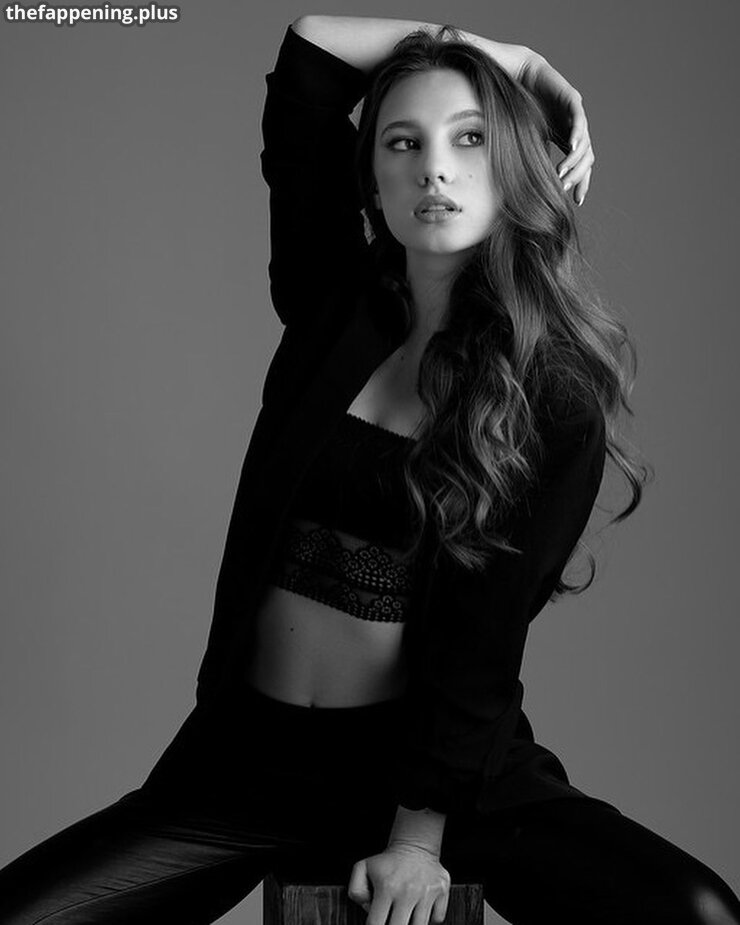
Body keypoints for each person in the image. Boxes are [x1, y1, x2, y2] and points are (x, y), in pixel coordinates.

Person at [1, 14, 738, 925]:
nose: (435, 169)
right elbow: (311, 55)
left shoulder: (551, 398)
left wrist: (417, 839)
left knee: (698, 911)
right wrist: (515, 59)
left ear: (517, 167)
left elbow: (482, 638)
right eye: (404, 143)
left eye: (470, 139)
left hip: (432, 776)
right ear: (374, 178)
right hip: (246, 764)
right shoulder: (331, 307)